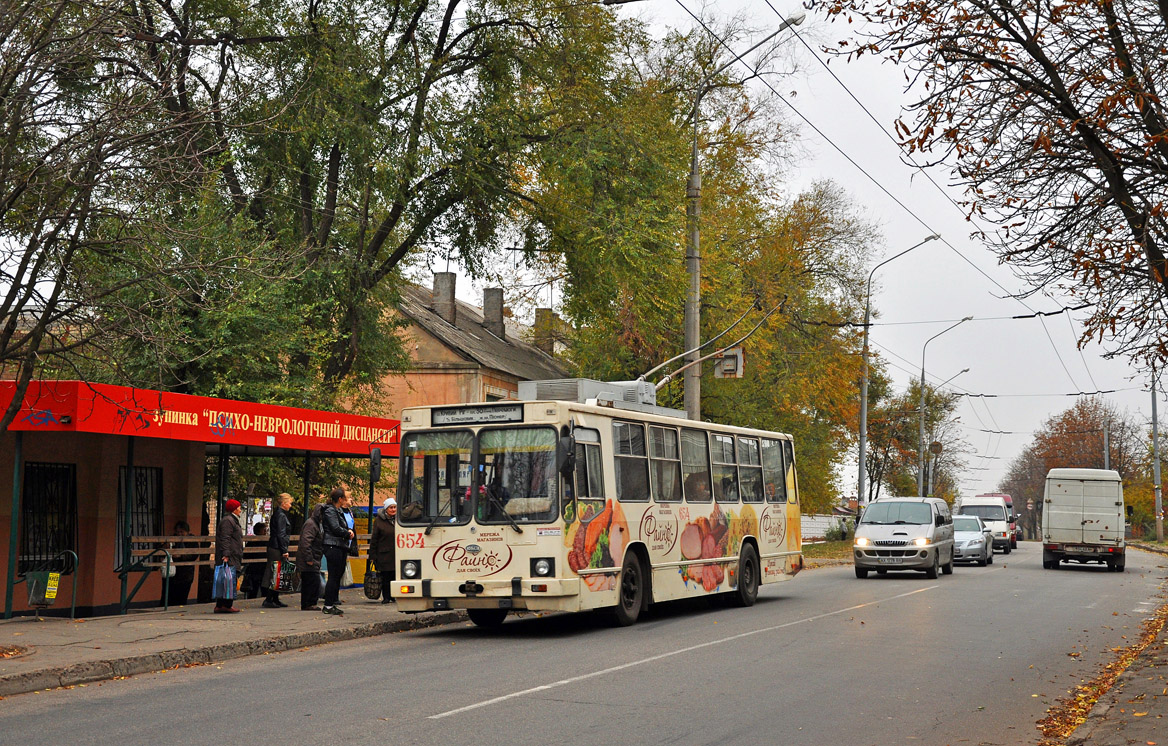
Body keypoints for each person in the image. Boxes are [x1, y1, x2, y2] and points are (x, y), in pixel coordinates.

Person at [320, 487, 354, 616]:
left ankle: (332, 602)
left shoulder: (337, 510)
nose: (346, 500)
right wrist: (347, 532)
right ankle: (328, 604)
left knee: (337, 575)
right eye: (345, 497)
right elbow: (335, 528)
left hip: (339, 545)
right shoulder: (330, 510)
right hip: (333, 545)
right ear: (340, 499)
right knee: (333, 576)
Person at [262, 493, 293, 608]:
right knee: (275, 572)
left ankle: (274, 598)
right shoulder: (281, 516)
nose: (290, 505)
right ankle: (269, 599)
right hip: (277, 547)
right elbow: (281, 534)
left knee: (277, 572)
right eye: (289, 503)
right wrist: (284, 549)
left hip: (275, 546)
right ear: (284, 503)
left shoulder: (279, 514)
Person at [214, 499, 244, 613]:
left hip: (233, 554)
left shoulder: (231, 520)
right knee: (229, 578)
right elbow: (225, 538)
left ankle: (222, 604)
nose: (240, 510)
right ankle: (226, 604)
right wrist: (226, 554)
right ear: (234, 509)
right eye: (239, 507)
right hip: (230, 555)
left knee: (227, 579)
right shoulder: (228, 521)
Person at [368, 497, 397, 603]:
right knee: (385, 576)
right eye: (391, 508)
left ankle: (394, 596)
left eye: (394, 507)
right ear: (386, 509)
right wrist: (372, 556)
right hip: (384, 554)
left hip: (396, 554)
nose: (393, 510)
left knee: (395, 576)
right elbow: (374, 539)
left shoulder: (398, 520)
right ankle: (386, 597)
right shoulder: (379, 521)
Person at [297, 504, 325, 611]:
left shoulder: (315, 524)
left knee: (312, 581)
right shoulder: (312, 524)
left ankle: (309, 603)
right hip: (309, 558)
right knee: (311, 581)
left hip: (313, 557)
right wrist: (309, 558)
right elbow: (306, 542)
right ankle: (309, 603)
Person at [164, 520, 196, 607]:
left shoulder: (193, 541)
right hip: (173, 572)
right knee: (170, 595)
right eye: (178, 532)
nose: (179, 534)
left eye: (182, 532)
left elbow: (194, 555)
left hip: (186, 574)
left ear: (187, 532)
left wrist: (181, 556)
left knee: (182, 596)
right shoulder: (172, 539)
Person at [242, 522, 267, 599]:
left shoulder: (251, 542)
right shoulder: (266, 541)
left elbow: (245, 556)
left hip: (254, 569)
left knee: (254, 588)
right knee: (263, 587)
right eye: (264, 530)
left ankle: (252, 599)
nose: (266, 532)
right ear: (260, 531)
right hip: (261, 569)